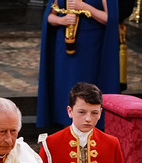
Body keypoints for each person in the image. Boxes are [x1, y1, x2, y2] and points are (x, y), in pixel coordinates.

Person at [37, 0, 120, 129]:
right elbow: (49, 16)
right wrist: (62, 20)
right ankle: (65, 126)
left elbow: (110, 19)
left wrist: (84, 7)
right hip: (63, 46)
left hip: (91, 47)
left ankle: (89, 126)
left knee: (86, 87)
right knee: (63, 86)